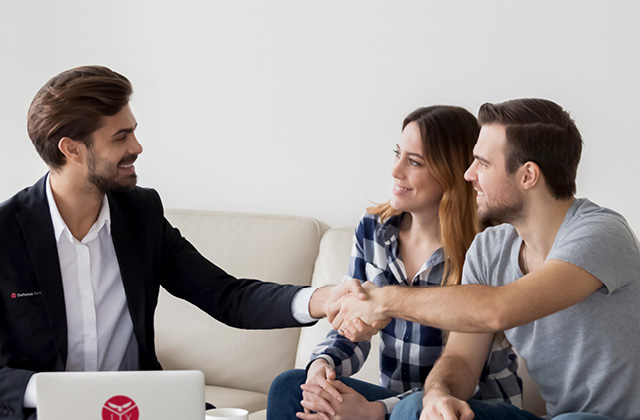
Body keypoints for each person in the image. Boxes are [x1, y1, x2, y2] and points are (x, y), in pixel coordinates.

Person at [0, 65, 366, 420]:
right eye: (120, 137)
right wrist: (54, 393)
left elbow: (226, 295)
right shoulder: (5, 234)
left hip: (141, 409)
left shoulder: (140, 214)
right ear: (71, 149)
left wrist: (323, 299)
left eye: (134, 132)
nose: (137, 146)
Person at [330, 98, 640, 419]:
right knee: (412, 407)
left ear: (528, 175)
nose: (468, 174)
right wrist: (438, 394)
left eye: (483, 163)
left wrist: (382, 300)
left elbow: (499, 309)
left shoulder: (601, 233)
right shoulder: (489, 248)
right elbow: (462, 360)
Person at [267, 106, 523, 420]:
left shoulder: (487, 246)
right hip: (397, 403)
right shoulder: (374, 228)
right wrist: (323, 369)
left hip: (469, 407)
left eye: (414, 162)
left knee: (412, 408)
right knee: (290, 386)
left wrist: (376, 411)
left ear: (454, 172)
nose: (395, 170)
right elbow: (353, 327)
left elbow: (465, 376)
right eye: (397, 153)